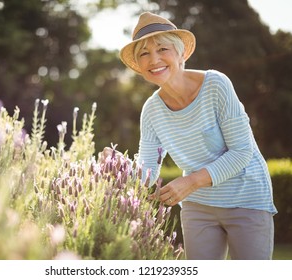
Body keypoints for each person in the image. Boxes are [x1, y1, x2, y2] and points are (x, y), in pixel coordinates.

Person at [101, 11, 277, 260]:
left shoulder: (216, 85)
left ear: (181, 53)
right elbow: (147, 173)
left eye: (163, 49)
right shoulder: (151, 111)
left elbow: (242, 152)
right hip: (198, 207)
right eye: (144, 53)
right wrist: (118, 165)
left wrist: (190, 182)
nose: (154, 60)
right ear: (139, 67)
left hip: (246, 198)